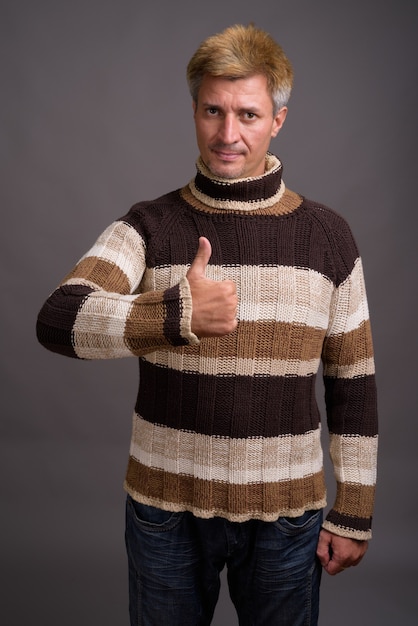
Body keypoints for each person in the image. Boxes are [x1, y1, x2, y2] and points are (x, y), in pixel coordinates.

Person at [36, 23, 378, 626]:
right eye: (212, 111)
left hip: (287, 514)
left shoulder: (329, 237)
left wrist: (354, 509)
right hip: (165, 511)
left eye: (248, 114)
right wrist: (175, 313)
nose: (228, 134)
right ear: (193, 111)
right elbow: (59, 319)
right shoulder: (148, 225)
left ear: (278, 119)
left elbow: (353, 382)